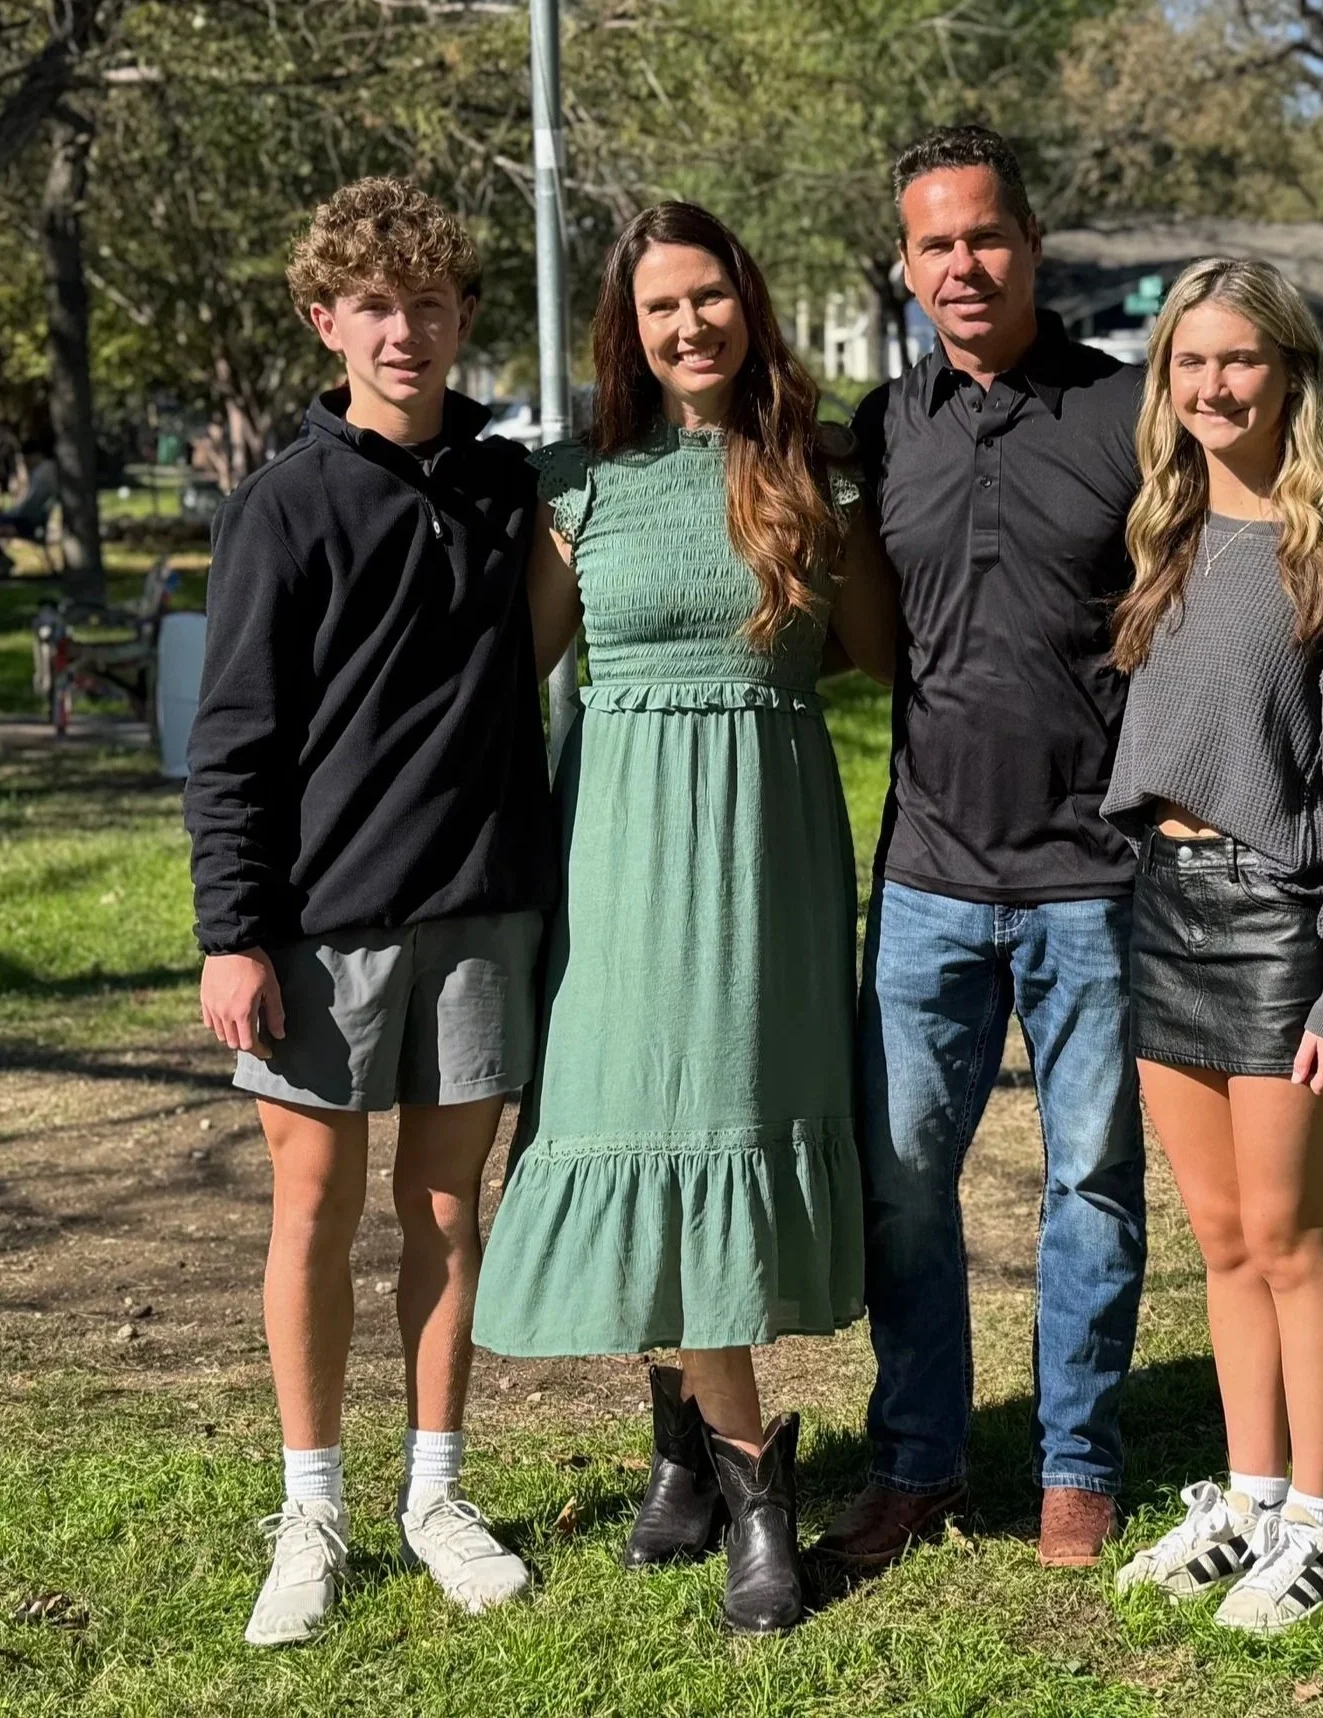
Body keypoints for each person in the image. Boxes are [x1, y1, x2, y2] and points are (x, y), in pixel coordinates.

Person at [815, 126, 1323, 1575]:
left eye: (984, 237)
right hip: (925, 869)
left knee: (1094, 1183)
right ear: (902, 269)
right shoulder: (880, 425)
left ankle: (1078, 1467)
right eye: (931, 246)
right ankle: (914, 1458)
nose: (961, 265)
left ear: (1027, 244)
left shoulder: (1122, 416)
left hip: (1103, 876)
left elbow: (1278, 595)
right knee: (902, 1180)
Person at [473, 200, 894, 1635]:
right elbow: (502, 677)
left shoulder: (806, 472)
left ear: (746, 303)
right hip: (613, 851)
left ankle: (717, 1464)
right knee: (633, 1113)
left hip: (765, 854)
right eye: (660, 307)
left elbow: (878, 652)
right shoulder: (575, 482)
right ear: (627, 328)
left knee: (716, 1118)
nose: (688, 325)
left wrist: (856, 501)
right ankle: (725, 1467)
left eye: (708, 296)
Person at [184, 178, 557, 1647]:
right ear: (326, 320)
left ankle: (435, 1492)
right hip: (318, 927)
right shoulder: (281, 504)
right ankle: (313, 1505)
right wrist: (234, 928)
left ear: (464, 315)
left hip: (478, 910)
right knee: (314, 1212)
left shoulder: (507, 481)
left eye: (432, 303)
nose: (407, 331)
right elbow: (234, 739)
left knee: (451, 1213)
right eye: (376, 306)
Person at [1105, 257, 1323, 1630]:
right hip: (1161, 909)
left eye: (1238, 359)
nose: (1212, 385)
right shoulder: (1163, 535)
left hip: (1280, 923)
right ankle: (1244, 1499)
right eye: (1188, 361)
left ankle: (1320, 1517)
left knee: (1293, 1237)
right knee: (1221, 1239)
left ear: (1288, 371)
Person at [0, 444, 59, 579]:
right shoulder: (41, 472)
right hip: (24, 518)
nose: (25, 463)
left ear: (35, 456)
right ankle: (1, 563)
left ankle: (0, 564)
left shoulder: (43, 474)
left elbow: (29, 506)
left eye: (25, 459)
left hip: (25, 522)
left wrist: (4, 515)